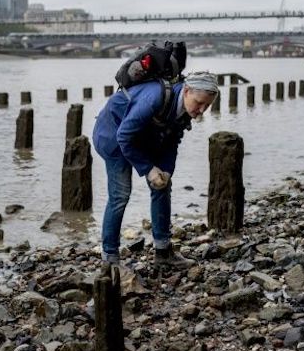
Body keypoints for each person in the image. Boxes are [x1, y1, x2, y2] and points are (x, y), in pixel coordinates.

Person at [92, 71, 219, 268]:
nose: (201, 110)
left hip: (144, 136)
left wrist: (166, 170)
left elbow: (172, 141)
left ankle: (163, 251)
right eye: (199, 102)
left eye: (207, 106)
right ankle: (110, 259)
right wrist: (148, 169)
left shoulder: (185, 108)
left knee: (162, 186)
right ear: (186, 91)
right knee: (120, 195)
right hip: (112, 135)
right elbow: (124, 137)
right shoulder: (154, 99)